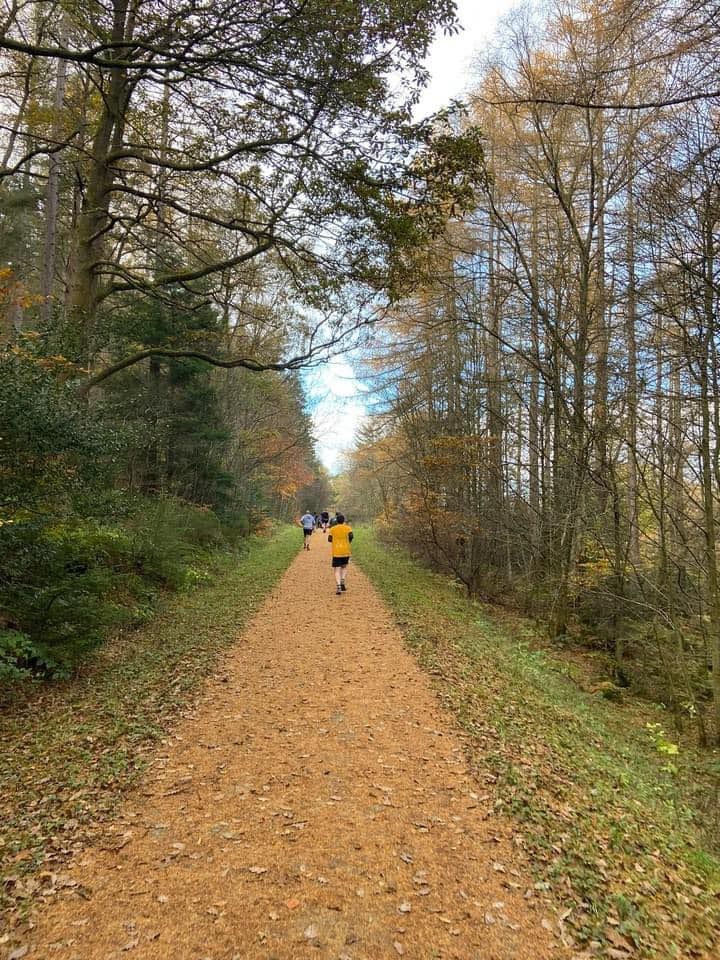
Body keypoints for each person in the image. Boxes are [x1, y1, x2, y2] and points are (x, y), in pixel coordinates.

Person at [328, 513, 353, 594]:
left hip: (336, 552)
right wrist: (347, 542)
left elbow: (329, 539)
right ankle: (342, 581)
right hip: (346, 551)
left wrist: (336, 540)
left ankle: (338, 586)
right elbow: (351, 537)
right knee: (344, 567)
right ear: (344, 520)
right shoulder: (348, 528)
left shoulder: (333, 529)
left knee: (337, 570)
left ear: (336, 521)